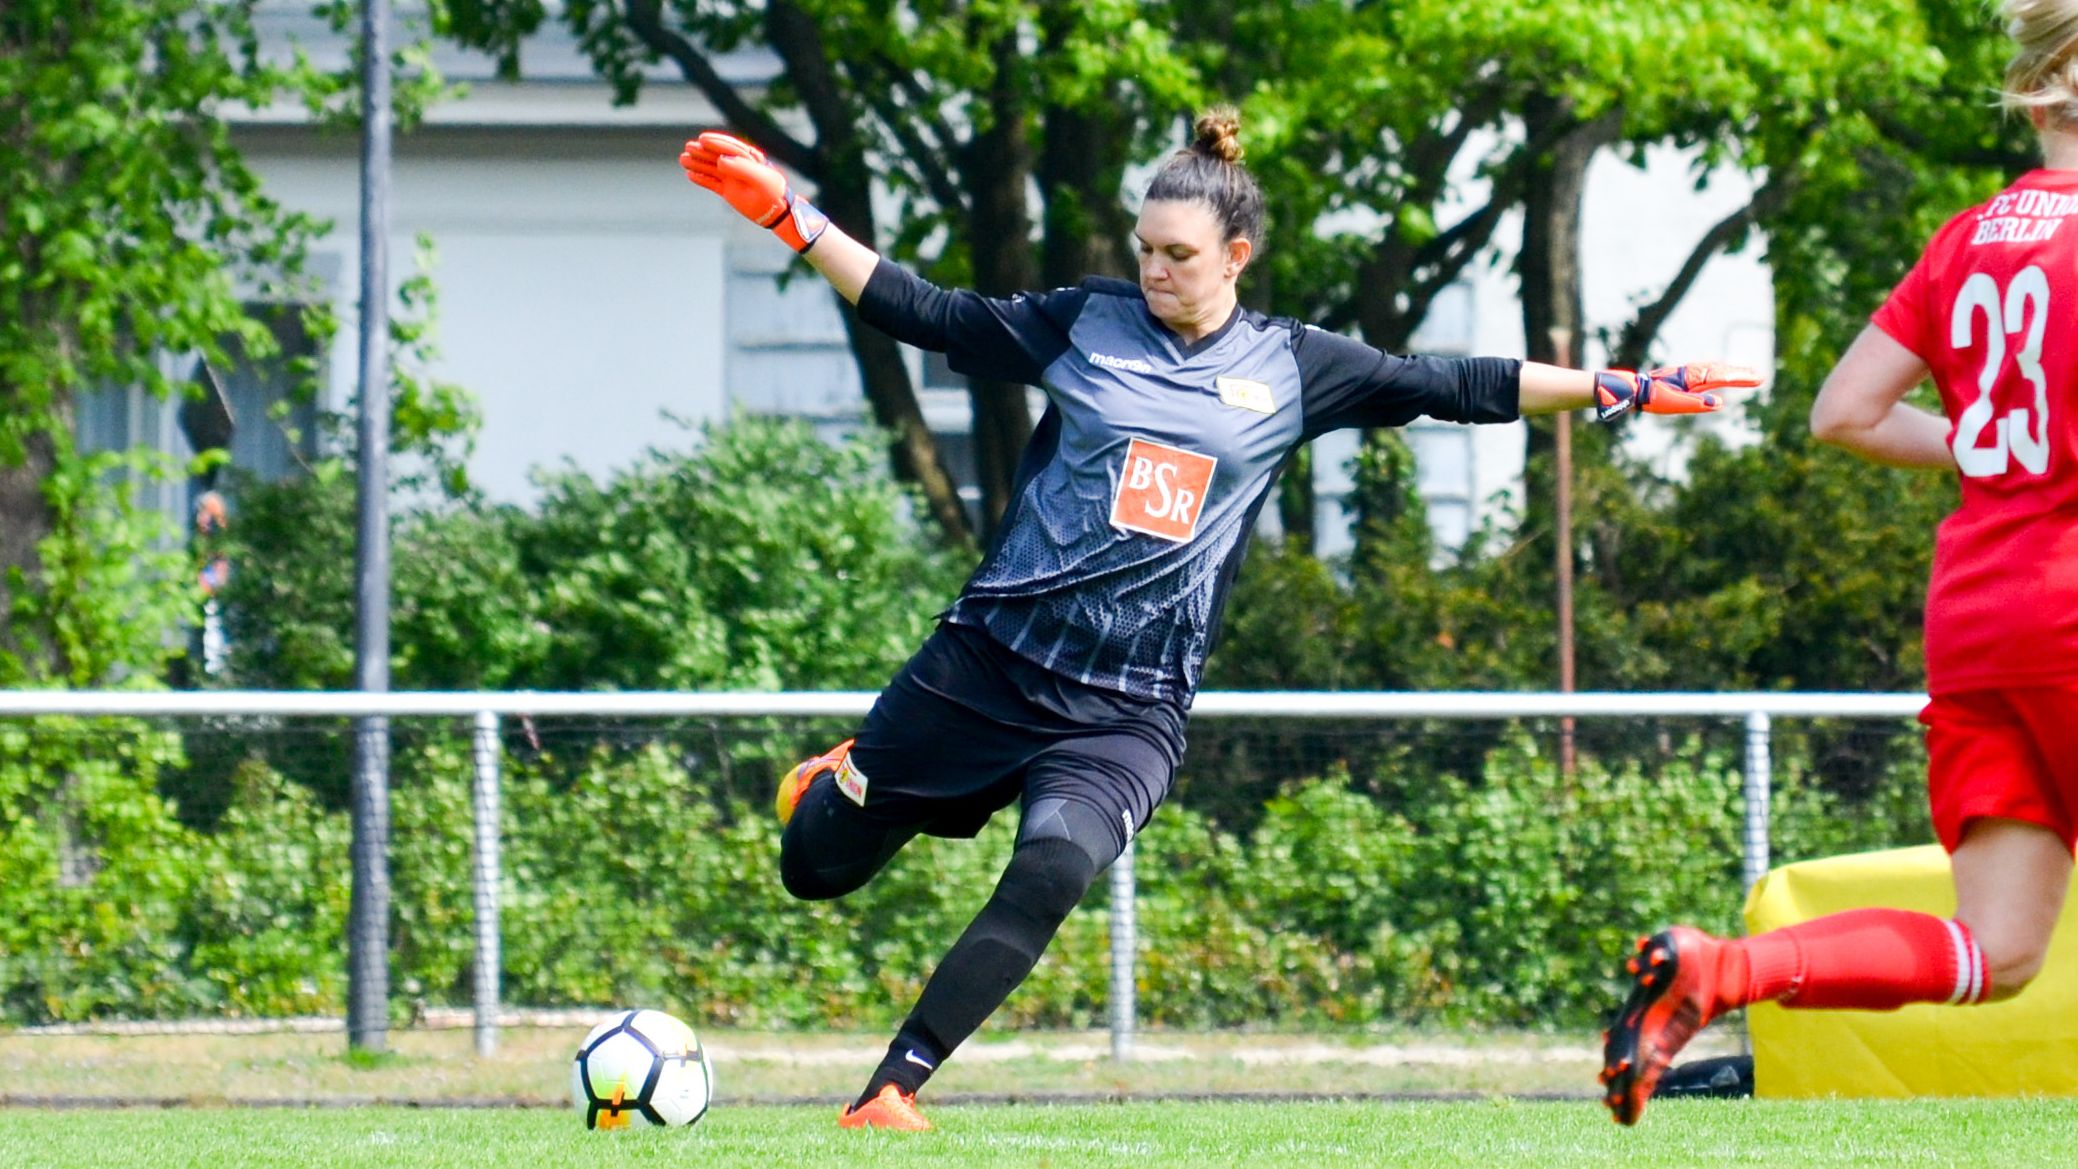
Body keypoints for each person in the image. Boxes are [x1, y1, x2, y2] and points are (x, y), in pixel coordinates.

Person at [681, 107, 1758, 1132]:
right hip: (983, 666)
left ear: (1235, 254)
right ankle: (839, 779)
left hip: (1126, 708)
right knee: (815, 868)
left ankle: (892, 1086)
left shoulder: (1291, 366)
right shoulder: (1086, 321)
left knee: (1055, 863)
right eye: (1144, 247)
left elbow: (1450, 382)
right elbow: (925, 310)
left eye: (1178, 254)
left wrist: (1617, 386)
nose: (1153, 268)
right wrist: (788, 213)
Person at [1599, 0, 2078, 1127]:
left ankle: (1721, 970)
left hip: (1977, 620)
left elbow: (1844, 410)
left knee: (1998, 947)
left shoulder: (1965, 239)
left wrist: (1981, 444)